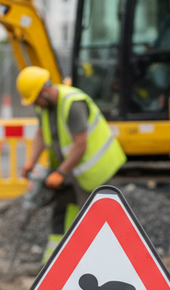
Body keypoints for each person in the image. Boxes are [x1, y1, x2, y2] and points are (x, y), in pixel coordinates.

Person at [17, 66, 126, 262]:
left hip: (93, 169)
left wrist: (60, 172)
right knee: (63, 210)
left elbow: (81, 144)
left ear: (45, 91)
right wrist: (31, 161)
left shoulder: (73, 104)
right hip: (71, 170)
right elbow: (41, 133)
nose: (37, 105)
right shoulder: (45, 107)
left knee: (91, 219)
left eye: (37, 99)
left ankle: (100, 262)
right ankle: (57, 262)